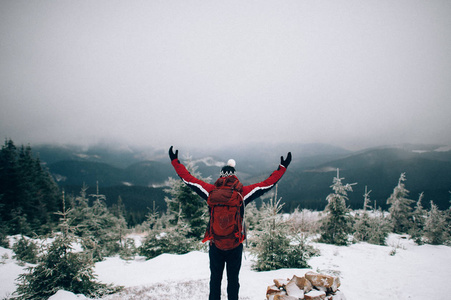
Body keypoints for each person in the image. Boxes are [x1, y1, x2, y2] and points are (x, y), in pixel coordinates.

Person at [168, 146, 291, 300]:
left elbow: (189, 180)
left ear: (221, 177)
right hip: (234, 244)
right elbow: (266, 184)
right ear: (234, 176)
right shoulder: (242, 194)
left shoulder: (210, 192)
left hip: (216, 244)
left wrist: (175, 162)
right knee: (233, 280)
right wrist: (282, 168)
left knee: (215, 280)